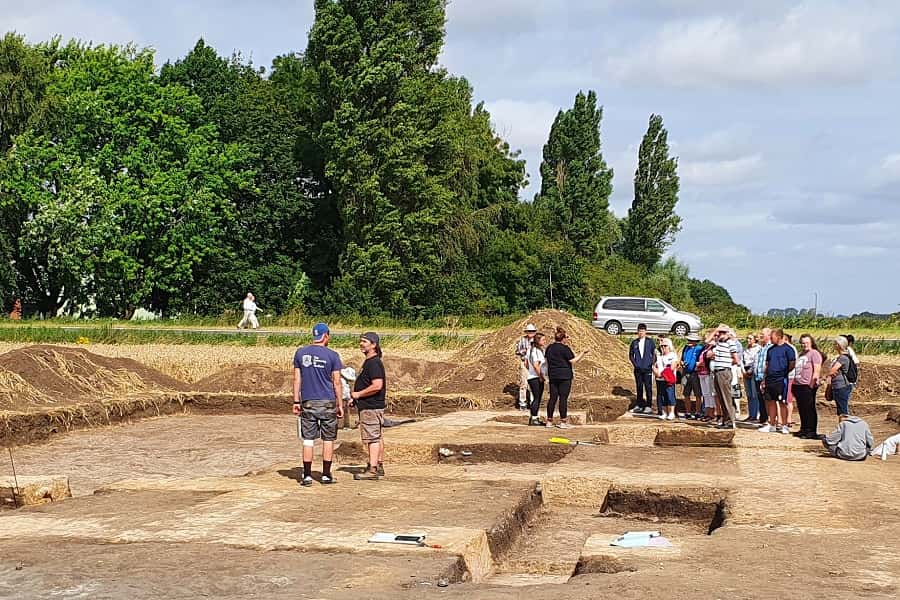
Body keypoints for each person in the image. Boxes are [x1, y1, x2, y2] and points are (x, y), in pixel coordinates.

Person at [293, 323, 343, 486]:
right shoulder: (333, 356)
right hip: (328, 402)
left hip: (308, 401)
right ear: (326, 336)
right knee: (328, 439)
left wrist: (295, 401)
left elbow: (297, 379)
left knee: (308, 439)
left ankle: (307, 475)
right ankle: (326, 475)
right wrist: (340, 404)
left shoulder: (300, 353)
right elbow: (337, 382)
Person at [350, 332, 386, 481]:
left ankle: (373, 469)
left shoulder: (374, 363)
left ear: (373, 345)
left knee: (372, 439)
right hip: (369, 405)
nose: (361, 344)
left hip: (371, 407)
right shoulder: (370, 362)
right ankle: (378, 464)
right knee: (376, 436)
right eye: (361, 341)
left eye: (365, 341)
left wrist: (359, 394)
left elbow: (377, 385)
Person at [545, 326, 589, 428]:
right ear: (563, 338)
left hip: (553, 375)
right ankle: (563, 421)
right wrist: (583, 353)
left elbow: (547, 361)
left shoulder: (549, 348)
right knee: (563, 398)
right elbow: (573, 360)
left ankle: (549, 421)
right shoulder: (565, 349)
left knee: (552, 398)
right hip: (564, 376)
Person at [760, 328, 796, 434]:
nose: (770, 339)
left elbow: (792, 363)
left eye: (772, 337)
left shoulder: (788, 349)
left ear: (779, 337)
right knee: (770, 401)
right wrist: (764, 379)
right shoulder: (770, 349)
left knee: (781, 402)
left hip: (781, 379)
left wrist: (783, 372)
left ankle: (784, 425)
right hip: (770, 379)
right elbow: (767, 364)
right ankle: (771, 424)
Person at [707, 324, 740, 429]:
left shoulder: (730, 343)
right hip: (717, 371)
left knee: (726, 397)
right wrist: (716, 330)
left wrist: (727, 363)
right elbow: (707, 341)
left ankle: (730, 420)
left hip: (724, 371)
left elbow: (736, 359)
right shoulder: (718, 343)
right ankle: (726, 419)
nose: (719, 334)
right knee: (721, 397)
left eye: (722, 332)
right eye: (719, 332)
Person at [792, 334, 823, 439]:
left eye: (806, 343)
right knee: (802, 408)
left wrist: (813, 383)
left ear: (811, 343)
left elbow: (817, 369)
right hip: (798, 384)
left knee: (809, 408)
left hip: (807, 385)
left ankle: (811, 430)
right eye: (802, 343)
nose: (804, 345)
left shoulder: (814, 353)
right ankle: (804, 428)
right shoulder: (801, 354)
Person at [629, 323, 656, 414]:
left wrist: (651, 364)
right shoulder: (634, 342)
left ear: (645, 332)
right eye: (639, 331)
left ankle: (648, 405)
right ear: (637, 332)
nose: (641, 333)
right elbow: (631, 355)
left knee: (648, 387)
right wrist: (635, 364)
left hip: (648, 368)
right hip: (638, 369)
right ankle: (639, 405)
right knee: (639, 387)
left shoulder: (650, 342)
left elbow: (654, 354)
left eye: (643, 331)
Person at [827, 336, 854, 416]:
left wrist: (829, 373)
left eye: (835, 344)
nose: (833, 345)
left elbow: (832, 371)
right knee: (840, 409)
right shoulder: (841, 357)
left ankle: (844, 426)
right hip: (838, 385)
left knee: (842, 410)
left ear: (839, 345)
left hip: (841, 386)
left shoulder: (843, 358)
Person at [680, 334, 705, 419]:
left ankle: (698, 412)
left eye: (691, 340)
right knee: (686, 393)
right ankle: (688, 412)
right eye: (689, 340)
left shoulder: (699, 348)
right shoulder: (685, 348)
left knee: (698, 393)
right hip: (686, 372)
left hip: (695, 373)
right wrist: (682, 363)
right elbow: (682, 359)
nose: (689, 342)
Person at [526, 333, 547, 426]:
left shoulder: (530, 350)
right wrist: (541, 376)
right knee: (536, 398)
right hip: (535, 377)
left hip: (531, 376)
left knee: (536, 397)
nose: (544, 341)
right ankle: (534, 418)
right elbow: (536, 365)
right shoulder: (536, 351)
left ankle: (534, 417)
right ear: (538, 341)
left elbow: (526, 363)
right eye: (543, 340)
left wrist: (530, 371)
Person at [653, 338, 678, 420]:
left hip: (668, 379)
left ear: (669, 346)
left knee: (670, 395)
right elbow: (654, 366)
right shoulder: (659, 356)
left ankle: (671, 412)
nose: (663, 347)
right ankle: (664, 412)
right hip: (660, 379)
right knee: (662, 396)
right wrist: (656, 372)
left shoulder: (673, 355)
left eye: (665, 346)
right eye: (661, 346)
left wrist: (662, 374)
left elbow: (672, 367)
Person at [515, 324, 538, 410]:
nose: (530, 333)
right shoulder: (522, 340)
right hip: (524, 362)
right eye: (529, 331)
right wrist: (524, 351)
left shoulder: (537, 340)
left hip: (534, 364)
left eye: (532, 331)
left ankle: (533, 403)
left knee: (533, 383)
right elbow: (517, 351)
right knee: (523, 383)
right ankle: (522, 403)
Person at [754, 328, 772, 424]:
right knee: (760, 398)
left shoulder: (770, 347)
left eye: (762, 334)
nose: (760, 336)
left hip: (765, 377)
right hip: (758, 376)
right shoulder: (761, 348)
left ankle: (769, 419)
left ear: (769, 335)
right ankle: (763, 418)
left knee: (767, 399)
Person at [742, 334, 762, 422]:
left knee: (755, 394)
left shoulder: (758, 349)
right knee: (749, 395)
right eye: (747, 338)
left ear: (755, 339)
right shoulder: (745, 349)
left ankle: (756, 414)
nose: (748, 340)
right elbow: (741, 360)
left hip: (753, 371)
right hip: (746, 371)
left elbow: (756, 361)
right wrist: (743, 371)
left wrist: (751, 371)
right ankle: (751, 414)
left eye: (750, 338)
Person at [697, 330, 716, 422]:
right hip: (701, 373)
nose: (705, 340)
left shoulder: (713, 347)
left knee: (710, 394)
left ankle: (711, 413)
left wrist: (700, 363)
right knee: (705, 394)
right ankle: (707, 413)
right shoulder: (703, 349)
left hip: (707, 372)